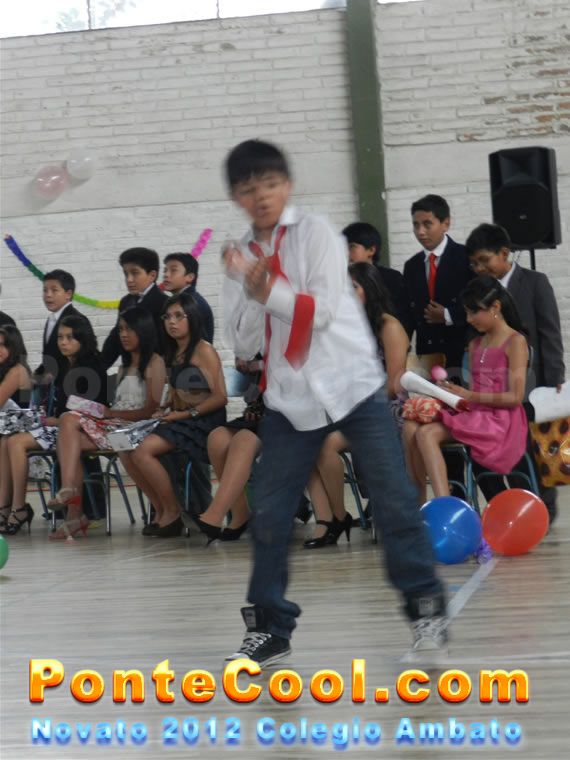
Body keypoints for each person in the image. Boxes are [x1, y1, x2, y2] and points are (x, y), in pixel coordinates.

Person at [221, 139, 446, 666]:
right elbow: (244, 343)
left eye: (270, 184)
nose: (261, 197)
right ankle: (270, 628)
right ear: (236, 196)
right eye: (249, 189)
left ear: (287, 186)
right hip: (291, 399)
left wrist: (267, 290)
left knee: (393, 500)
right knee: (270, 514)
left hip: (352, 386)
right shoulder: (241, 259)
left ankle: (425, 607)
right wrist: (249, 289)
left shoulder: (316, 233)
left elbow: (319, 312)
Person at [466, 222, 565, 524]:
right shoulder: (479, 292)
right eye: (474, 263)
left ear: (504, 253)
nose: (479, 268)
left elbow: (549, 332)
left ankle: (543, 507)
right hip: (497, 388)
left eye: (484, 260)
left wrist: (555, 380)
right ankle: (508, 507)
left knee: (538, 448)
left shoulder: (534, 282)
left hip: (533, 383)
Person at [305, 262, 410, 548]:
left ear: (370, 288)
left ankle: (342, 517)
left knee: (327, 444)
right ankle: (332, 517)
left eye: (353, 288)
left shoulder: (388, 325)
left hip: (387, 408)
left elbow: (395, 384)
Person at [402, 276, 529, 505]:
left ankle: (444, 505)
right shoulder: (475, 344)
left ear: (495, 307)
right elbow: (473, 391)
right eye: (467, 313)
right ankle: (425, 504)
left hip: (502, 419)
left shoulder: (515, 342)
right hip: (475, 413)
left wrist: (468, 395)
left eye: (474, 312)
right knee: (413, 428)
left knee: (426, 433)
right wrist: (450, 393)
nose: (469, 319)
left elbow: (515, 397)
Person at [49, 307, 166, 536]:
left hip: (135, 430)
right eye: (120, 329)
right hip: (114, 428)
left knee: (68, 424)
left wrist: (110, 413)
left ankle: (71, 500)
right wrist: (108, 413)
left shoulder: (155, 363)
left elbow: (150, 411)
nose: (123, 334)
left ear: (143, 330)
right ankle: (73, 511)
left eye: (129, 329)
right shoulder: (123, 367)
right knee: (68, 437)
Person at [121, 294, 227, 538]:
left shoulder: (203, 349)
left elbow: (220, 397)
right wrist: (166, 406)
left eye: (179, 316)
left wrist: (184, 414)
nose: (172, 322)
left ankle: (173, 511)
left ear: (192, 318)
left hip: (203, 422)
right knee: (125, 446)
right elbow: (179, 391)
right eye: (167, 317)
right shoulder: (173, 351)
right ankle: (160, 509)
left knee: (142, 450)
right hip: (183, 418)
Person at [0, 315, 107, 538]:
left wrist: (56, 420)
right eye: (60, 337)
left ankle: (20, 508)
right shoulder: (63, 365)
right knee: (7, 440)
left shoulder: (93, 366)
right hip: (62, 428)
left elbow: (93, 410)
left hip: (89, 428)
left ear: (83, 338)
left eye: (69, 337)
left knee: (17, 442)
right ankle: (8, 507)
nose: (63, 342)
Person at [403, 195, 472, 375]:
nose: (420, 232)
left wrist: (448, 315)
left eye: (427, 224)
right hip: (428, 356)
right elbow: (409, 314)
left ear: (446, 224)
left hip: (463, 353)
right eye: (416, 225)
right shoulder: (411, 266)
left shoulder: (466, 258)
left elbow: (481, 305)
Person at [342, 221, 413, 337]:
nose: (346, 253)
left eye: (351, 247)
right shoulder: (342, 280)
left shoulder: (392, 279)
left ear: (371, 250)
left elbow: (404, 319)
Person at [102, 247, 169, 368]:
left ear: (152, 275)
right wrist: (99, 368)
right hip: (129, 369)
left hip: (154, 371)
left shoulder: (165, 303)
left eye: (135, 273)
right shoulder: (126, 301)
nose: (129, 279)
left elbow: (166, 345)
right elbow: (115, 339)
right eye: (126, 274)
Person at [0, 326, 32, 531]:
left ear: (14, 347)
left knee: (6, 441)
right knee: (4, 439)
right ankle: (5, 507)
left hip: (24, 428)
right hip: (6, 429)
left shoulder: (17, 370)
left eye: (3, 345)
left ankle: (15, 506)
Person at [33, 269, 82, 390]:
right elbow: (50, 357)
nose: (48, 295)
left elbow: (82, 358)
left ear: (68, 294)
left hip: (71, 388)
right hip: (52, 389)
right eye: (45, 290)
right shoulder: (51, 319)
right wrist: (36, 376)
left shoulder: (77, 320)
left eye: (54, 290)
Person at [163, 252, 214, 343]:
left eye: (173, 270)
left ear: (190, 277)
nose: (166, 274)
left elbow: (199, 343)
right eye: (165, 270)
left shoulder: (193, 303)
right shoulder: (180, 300)